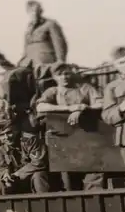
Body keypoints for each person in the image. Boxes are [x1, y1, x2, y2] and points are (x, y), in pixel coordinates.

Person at [36, 62, 105, 190]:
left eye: (67, 73)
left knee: (93, 175)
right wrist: (69, 108)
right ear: (54, 77)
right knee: (68, 180)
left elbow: (101, 103)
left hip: (87, 139)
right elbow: (40, 106)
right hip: (64, 141)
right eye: (60, 75)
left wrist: (83, 108)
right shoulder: (53, 91)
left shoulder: (84, 88)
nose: (64, 77)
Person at [101, 46, 125, 188]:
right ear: (114, 65)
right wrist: (124, 107)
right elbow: (107, 116)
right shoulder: (112, 87)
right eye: (121, 62)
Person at [18, 0, 68, 74]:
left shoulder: (50, 24)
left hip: (45, 61)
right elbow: (26, 46)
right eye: (31, 11)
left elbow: (59, 43)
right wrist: (22, 60)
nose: (34, 14)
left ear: (40, 11)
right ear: (28, 12)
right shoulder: (29, 27)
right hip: (28, 62)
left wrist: (60, 60)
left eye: (36, 11)